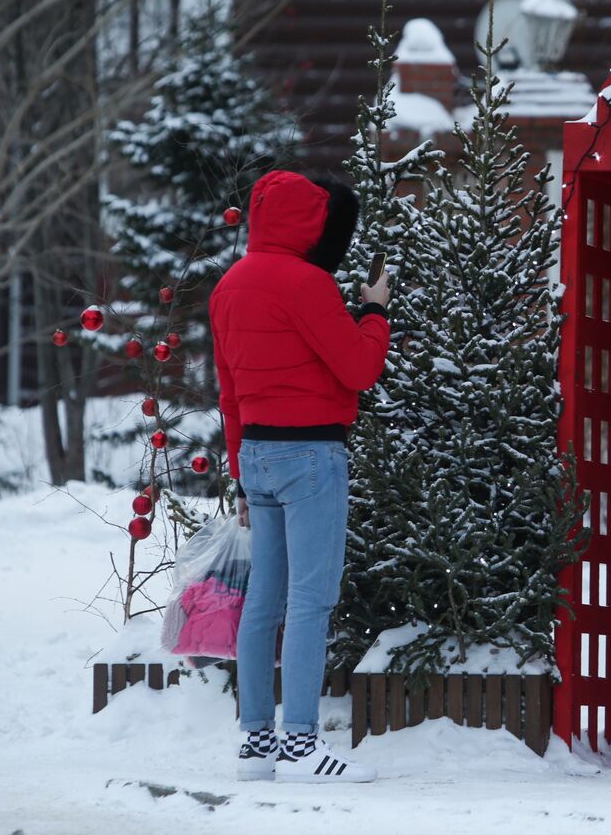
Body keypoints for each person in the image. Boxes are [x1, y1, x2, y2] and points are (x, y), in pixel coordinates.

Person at [210, 170, 391, 784]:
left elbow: (228, 394)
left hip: (257, 455)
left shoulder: (228, 287)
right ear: (305, 221)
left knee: (263, 602)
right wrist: (374, 310)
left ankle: (255, 744)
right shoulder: (308, 284)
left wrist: (239, 472)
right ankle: (302, 743)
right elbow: (360, 368)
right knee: (311, 601)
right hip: (312, 455)